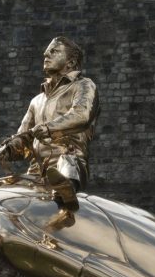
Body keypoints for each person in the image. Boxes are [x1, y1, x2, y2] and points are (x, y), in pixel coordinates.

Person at [8, 36, 98, 227]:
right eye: (46, 52)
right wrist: (10, 147)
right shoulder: (36, 100)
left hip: (67, 159)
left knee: (68, 165)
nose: (46, 55)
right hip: (35, 171)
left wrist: (50, 128)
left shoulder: (83, 85)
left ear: (71, 62)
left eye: (54, 52)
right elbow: (23, 137)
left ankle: (66, 191)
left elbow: (82, 115)